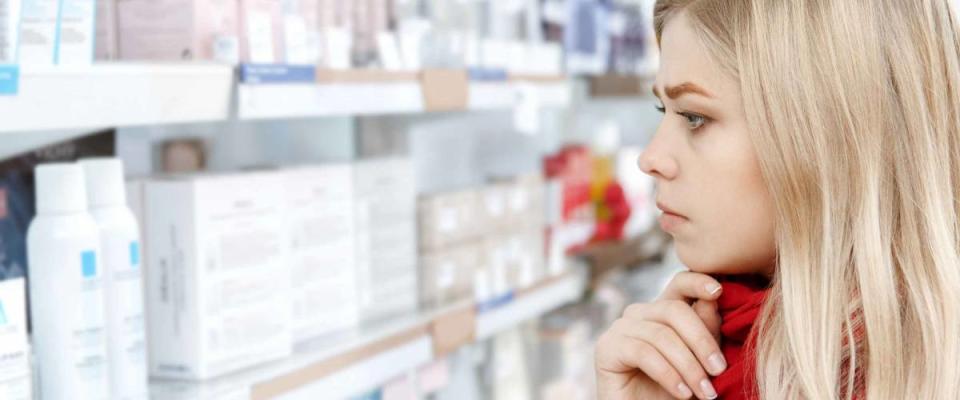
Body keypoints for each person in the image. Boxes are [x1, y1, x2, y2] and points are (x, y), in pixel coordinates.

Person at [594, 0, 960, 399]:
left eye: (694, 117)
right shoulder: (707, 345)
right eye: (663, 109)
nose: (651, 159)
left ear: (826, 138)